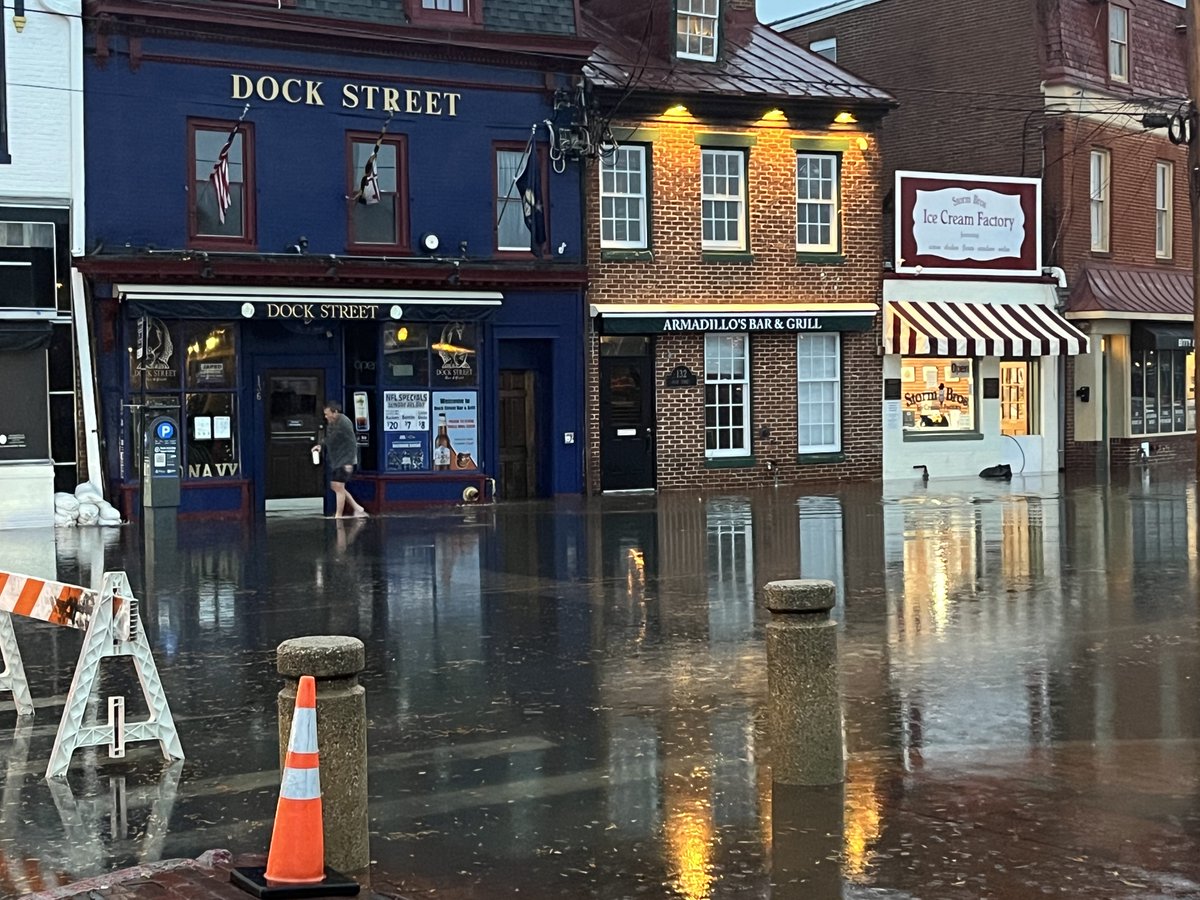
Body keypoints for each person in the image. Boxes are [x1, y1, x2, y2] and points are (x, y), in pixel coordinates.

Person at [322, 401, 368, 518]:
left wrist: (349, 462)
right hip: (338, 460)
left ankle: (338, 515)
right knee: (336, 486)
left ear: (335, 412)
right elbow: (330, 439)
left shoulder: (343, 423)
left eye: (327, 414)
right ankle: (358, 508)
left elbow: (349, 443)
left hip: (345, 460)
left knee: (338, 486)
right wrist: (320, 445)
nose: (326, 417)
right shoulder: (334, 423)